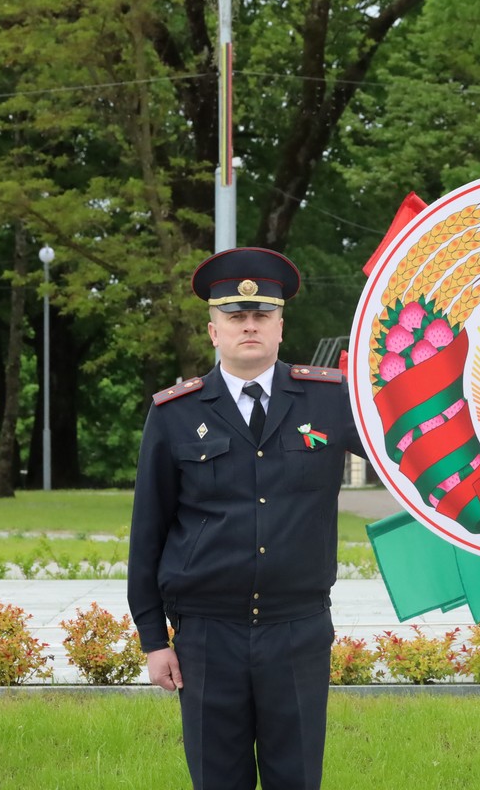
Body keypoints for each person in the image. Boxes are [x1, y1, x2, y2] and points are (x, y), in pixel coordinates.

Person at [128, 247, 366, 790]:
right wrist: (152, 638)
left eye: (262, 316)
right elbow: (149, 530)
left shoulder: (331, 401)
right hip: (208, 637)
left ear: (281, 327)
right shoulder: (175, 413)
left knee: (297, 779)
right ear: (214, 331)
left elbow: (404, 447)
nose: (249, 326)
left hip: (296, 630)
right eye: (235, 317)